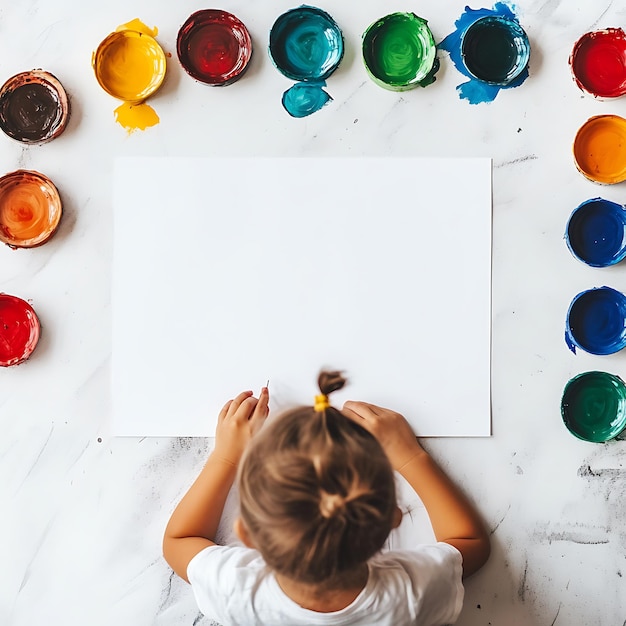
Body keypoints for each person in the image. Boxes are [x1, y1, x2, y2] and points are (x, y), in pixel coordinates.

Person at [163, 371, 490, 625]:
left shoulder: (237, 591)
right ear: (392, 518)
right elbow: (470, 542)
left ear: (247, 532)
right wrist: (409, 457)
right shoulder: (410, 596)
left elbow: (180, 540)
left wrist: (225, 457)